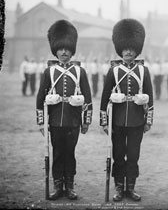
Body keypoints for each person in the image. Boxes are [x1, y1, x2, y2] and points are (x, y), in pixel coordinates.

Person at [36, 20, 93, 200]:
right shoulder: (49, 72)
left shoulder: (79, 72)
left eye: (67, 49)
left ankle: (69, 186)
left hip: (73, 120)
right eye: (60, 48)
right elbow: (39, 98)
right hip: (54, 120)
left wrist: (86, 121)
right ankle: (57, 186)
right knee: (57, 153)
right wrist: (41, 121)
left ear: (72, 50)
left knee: (70, 153)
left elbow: (88, 98)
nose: (64, 52)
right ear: (55, 49)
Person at [100, 19, 154, 202]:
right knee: (118, 155)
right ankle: (118, 187)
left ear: (137, 49)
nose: (129, 52)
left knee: (133, 155)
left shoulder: (143, 71)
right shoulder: (113, 71)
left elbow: (150, 97)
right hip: (117, 119)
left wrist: (148, 120)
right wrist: (104, 120)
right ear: (120, 49)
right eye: (125, 48)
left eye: (132, 48)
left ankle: (130, 188)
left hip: (137, 120)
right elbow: (104, 97)